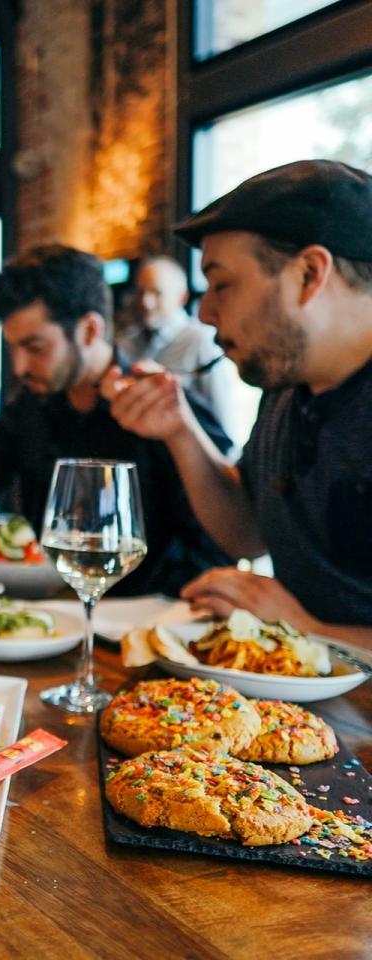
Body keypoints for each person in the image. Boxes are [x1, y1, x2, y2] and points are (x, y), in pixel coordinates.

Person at [104, 159, 372, 646]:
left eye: (221, 284)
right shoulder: (288, 388)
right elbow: (247, 531)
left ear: (309, 273)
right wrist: (180, 430)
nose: (205, 313)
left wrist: (310, 632)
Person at [0, 244, 232, 597]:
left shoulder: (161, 407)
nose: (20, 367)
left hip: (143, 616)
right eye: (13, 348)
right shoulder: (28, 408)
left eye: (35, 347)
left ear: (89, 330)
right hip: (46, 608)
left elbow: (218, 544)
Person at [116, 255, 245, 439]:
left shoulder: (201, 341)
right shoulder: (126, 341)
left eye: (156, 293)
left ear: (182, 297)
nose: (146, 302)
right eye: (141, 292)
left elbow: (222, 419)